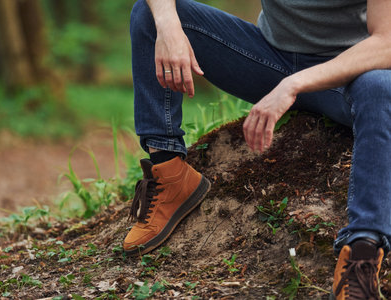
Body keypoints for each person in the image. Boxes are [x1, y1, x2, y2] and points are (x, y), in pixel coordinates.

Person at [124, 0, 391, 299]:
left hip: (349, 76)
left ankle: (361, 254)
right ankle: (170, 174)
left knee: (382, 86)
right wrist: (169, 26)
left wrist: (294, 84)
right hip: (268, 60)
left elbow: (386, 43)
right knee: (151, 14)